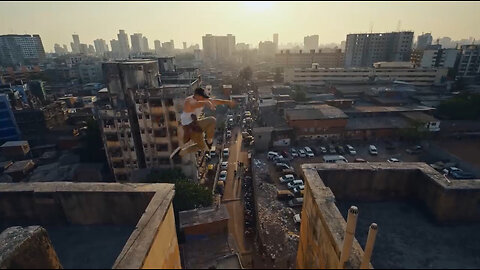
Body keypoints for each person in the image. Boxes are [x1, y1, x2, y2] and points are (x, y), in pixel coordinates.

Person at [170, 87, 235, 160]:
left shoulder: (202, 99)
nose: (203, 99)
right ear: (197, 95)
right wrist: (206, 103)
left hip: (195, 126)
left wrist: (227, 102)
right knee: (211, 122)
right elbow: (194, 104)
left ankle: (182, 152)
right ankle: (207, 142)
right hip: (189, 127)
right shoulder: (189, 100)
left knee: (204, 146)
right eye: (201, 97)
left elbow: (214, 101)